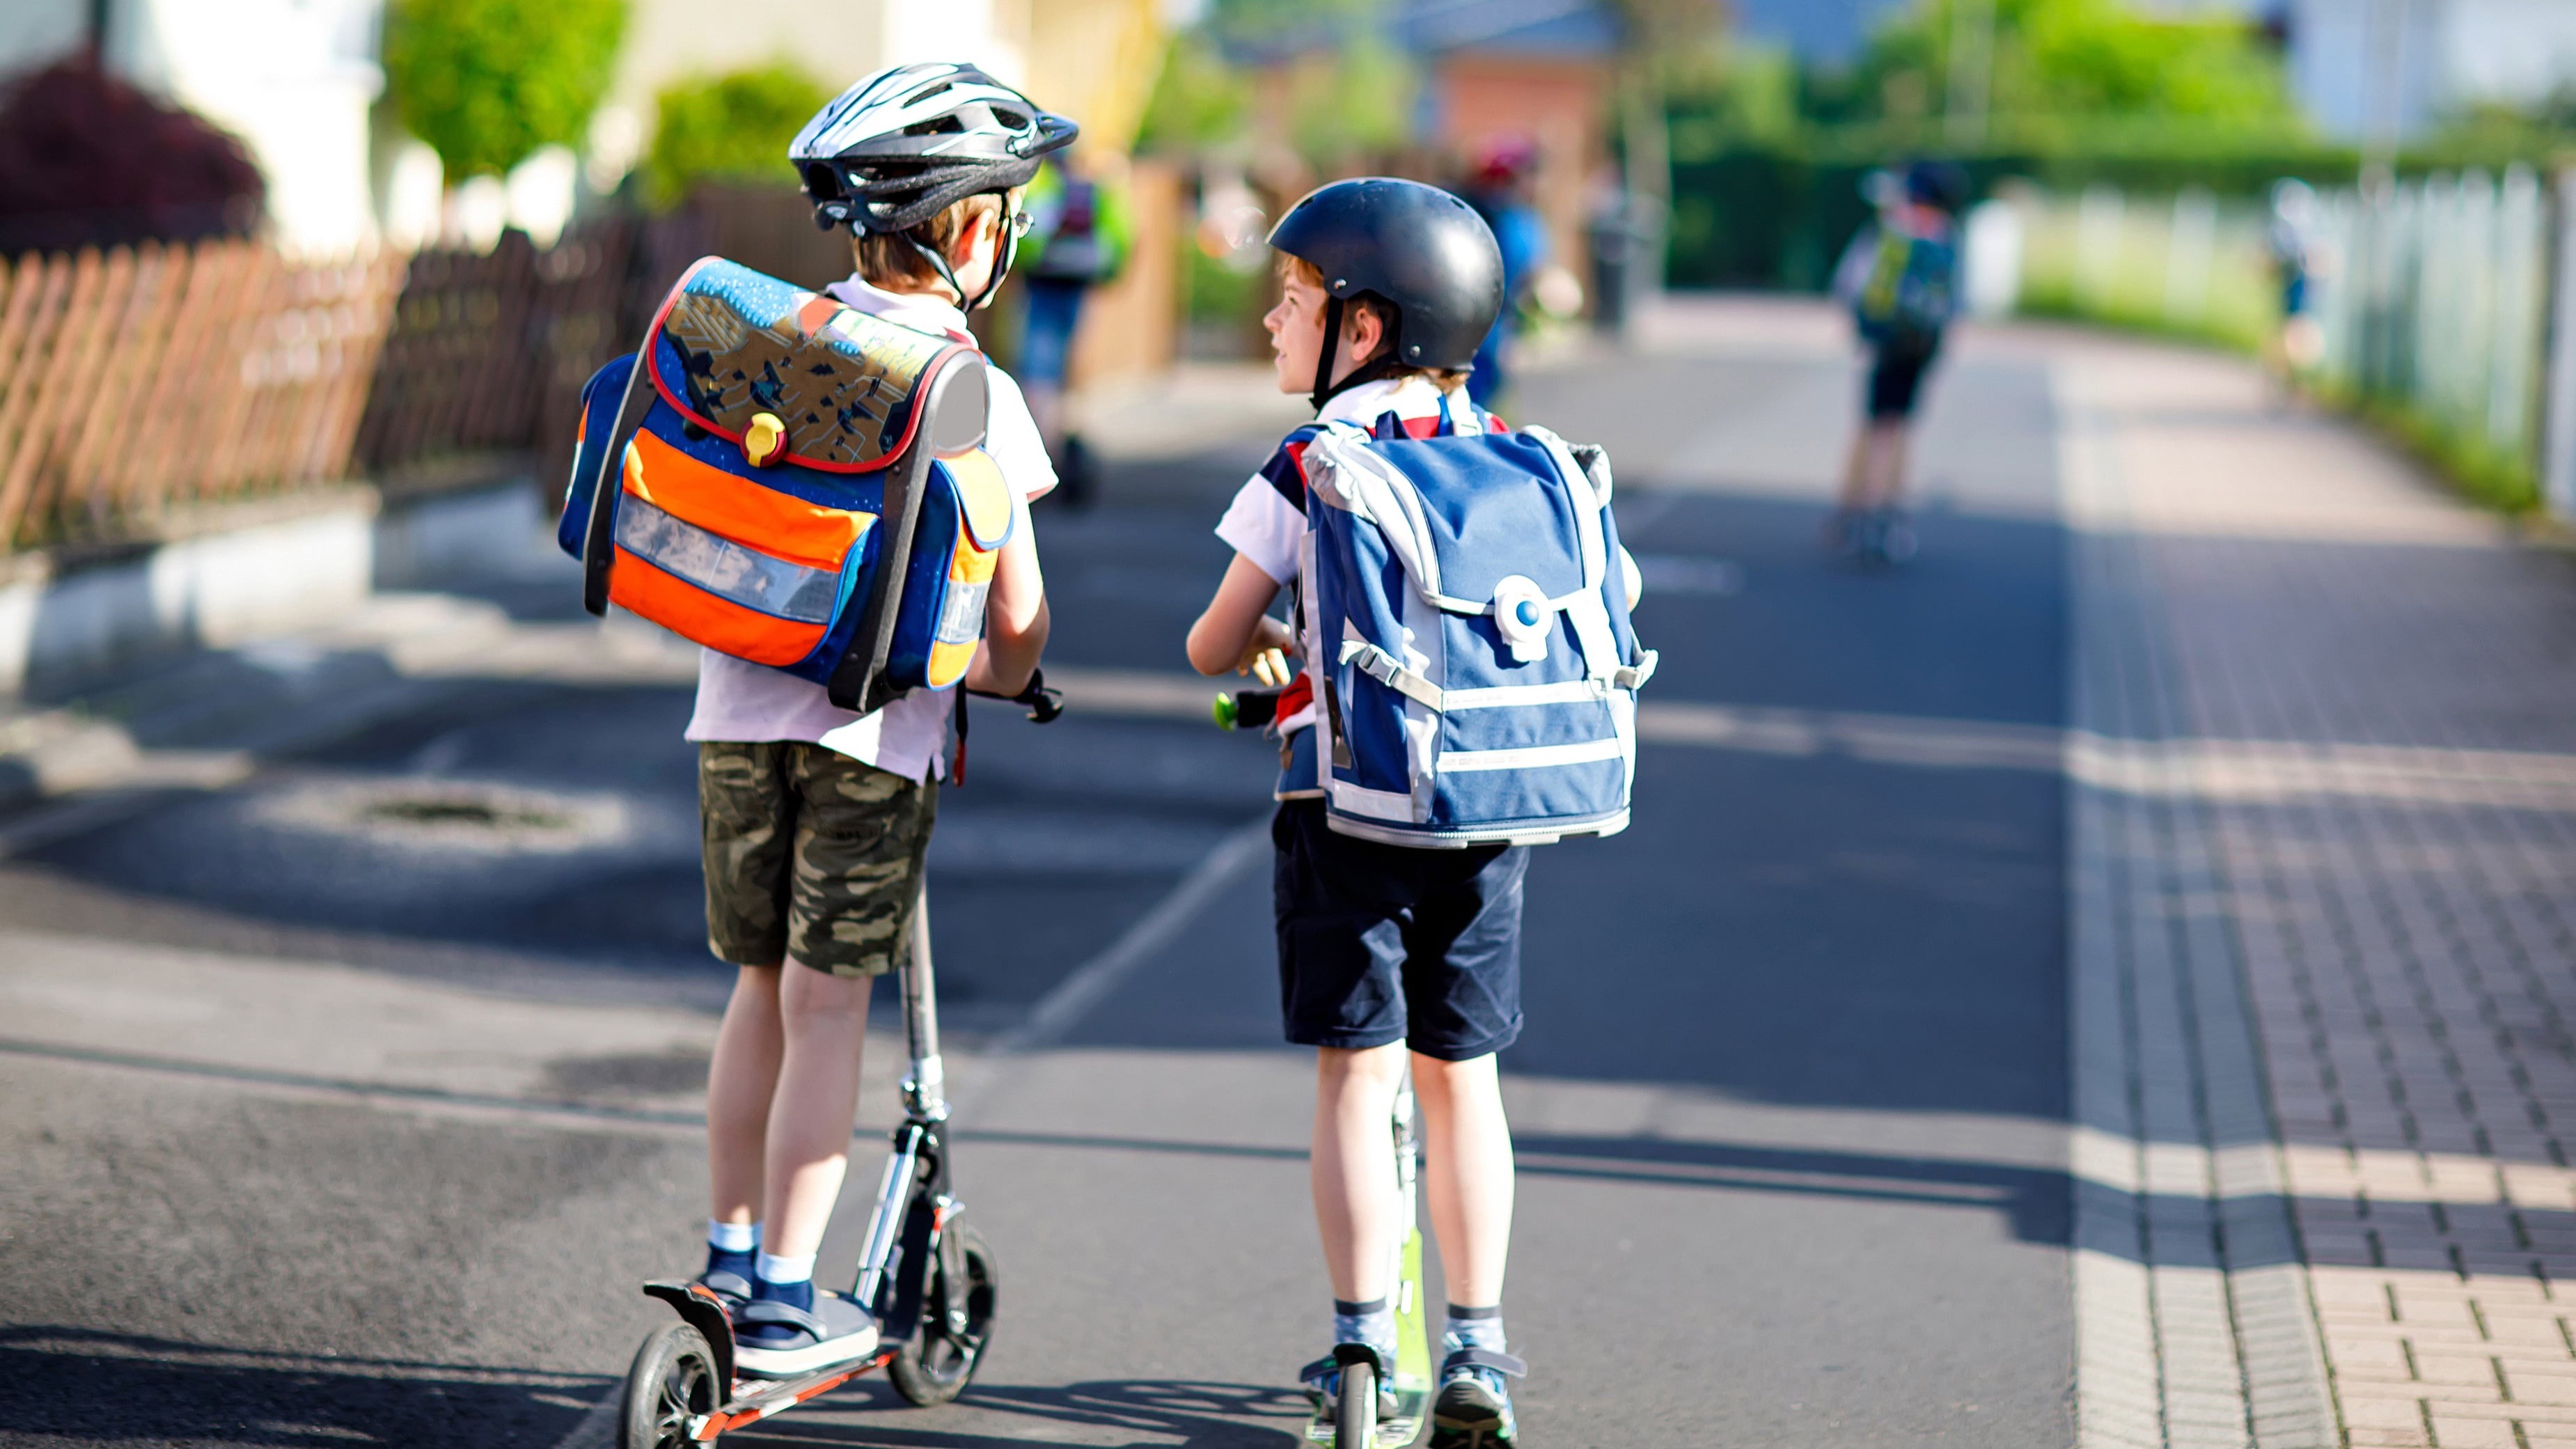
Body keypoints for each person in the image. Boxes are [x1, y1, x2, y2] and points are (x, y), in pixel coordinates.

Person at [683, 61, 1067, 1379]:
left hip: (733, 714)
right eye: (1006, 212)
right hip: (873, 740)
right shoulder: (976, 393)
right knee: (828, 1008)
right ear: (969, 232)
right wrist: (1017, 679)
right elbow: (1018, 620)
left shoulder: (773, 344)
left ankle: (727, 1254)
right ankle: (786, 1296)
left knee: (754, 995)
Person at [1184, 176, 1530, 1449]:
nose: (1274, 322)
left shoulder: (1312, 465)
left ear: (1365, 329)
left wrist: (1283, 639)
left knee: (1356, 1070)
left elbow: (1213, 640)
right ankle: (1479, 1344)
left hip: (1346, 808)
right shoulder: (1501, 447)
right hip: (1484, 810)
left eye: (1293, 301)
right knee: (1464, 1079)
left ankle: (1360, 1337)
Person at [1828, 159, 1968, 559]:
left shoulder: (1891, 230)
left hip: (1885, 341)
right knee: (1901, 426)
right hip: (1922, 345)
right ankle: (1890, 510)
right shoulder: (1946, 236)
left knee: (1873, 425)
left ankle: (1857, 509)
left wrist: (1860, 324)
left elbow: (1849, 281)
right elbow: (1956, 300)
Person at [1015, 150, 1131, 506]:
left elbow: (1024, 237)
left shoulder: (1041, 187)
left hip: (1042, 284)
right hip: (1079, 284)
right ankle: (1068, 448)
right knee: (1068, 372)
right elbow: (1121, 238)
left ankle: (1044, 459)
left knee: (1039, 373)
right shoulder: (1097, 189)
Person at [1457, 136, 1549, 411]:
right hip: (1476, 324)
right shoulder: (1493, 218)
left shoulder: (1523, 220)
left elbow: (1530, 272)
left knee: (1487, 393)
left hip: (1499, 323)